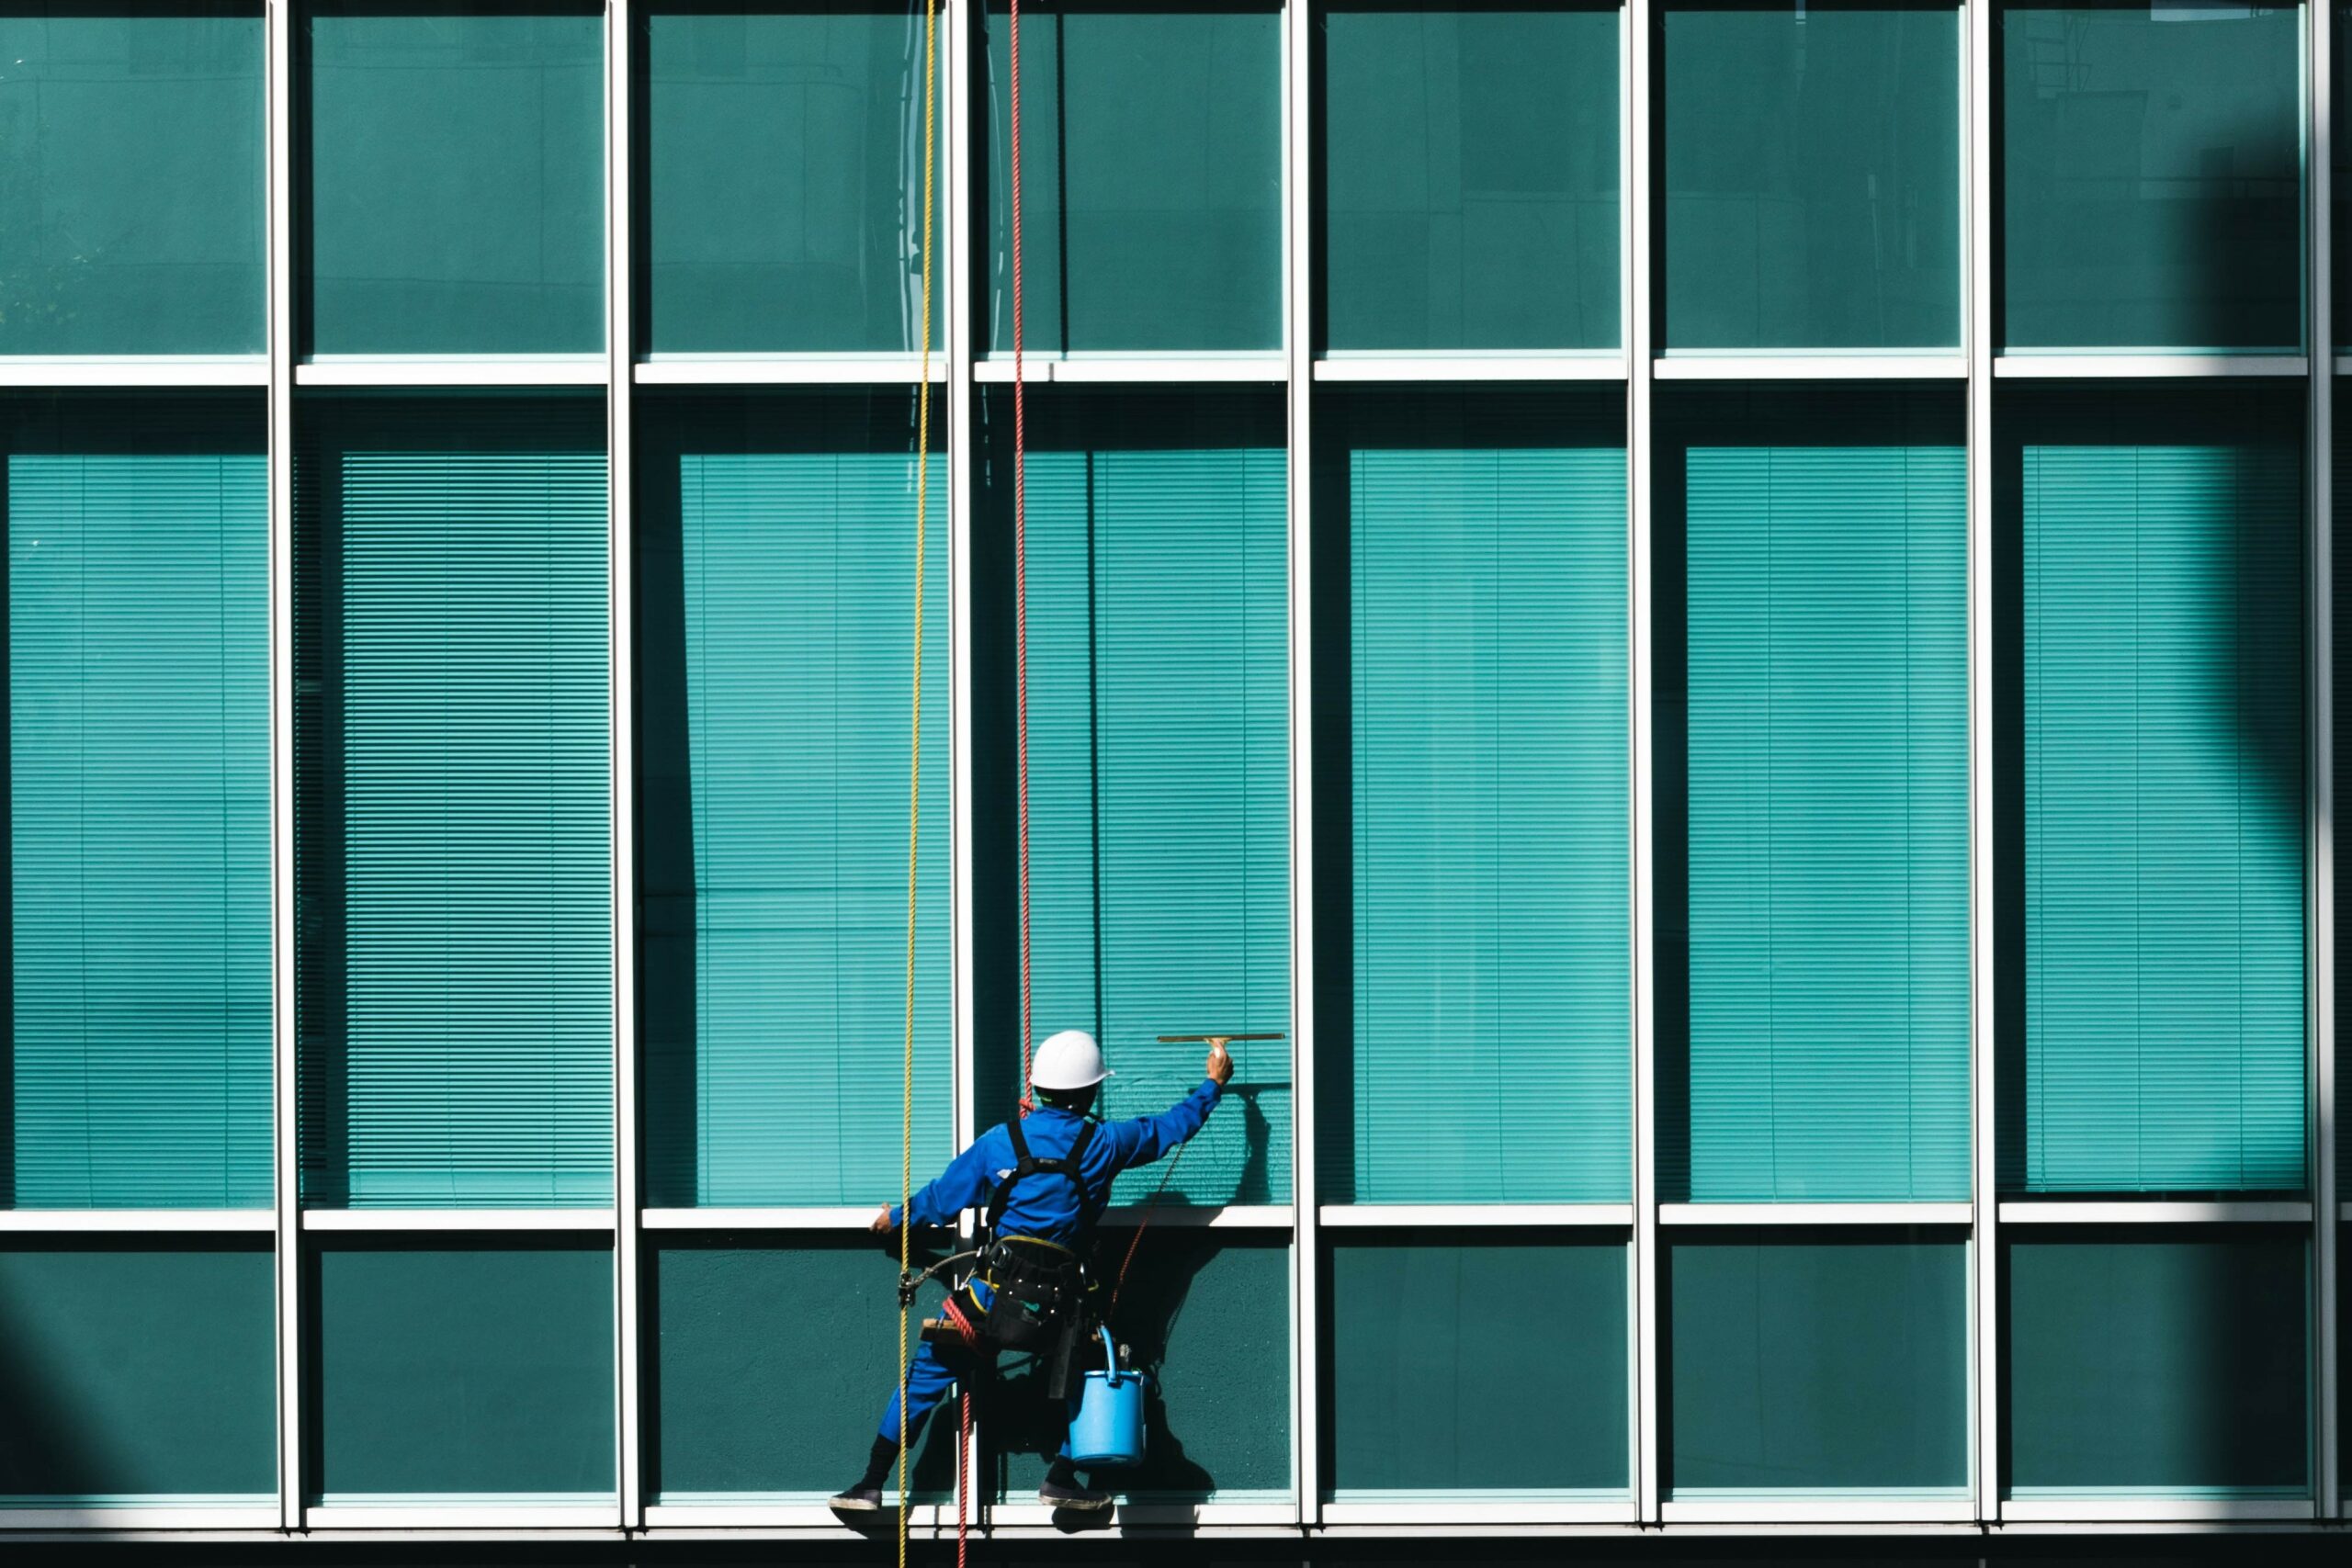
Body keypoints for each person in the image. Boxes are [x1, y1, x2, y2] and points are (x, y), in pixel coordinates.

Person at [831, 1029, 1234, 1514]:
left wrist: (893, 1218)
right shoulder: (1106, 1142)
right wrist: (1214, 1083)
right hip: (1059, 1308)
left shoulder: (1000, 1144)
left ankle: (871, 1484)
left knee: (924, 1380)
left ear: (1038, 1089)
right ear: (1090, 1091)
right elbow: (1171, 1127)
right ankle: (1061, 1478)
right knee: (1092, 1372)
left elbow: (940, 1200)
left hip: (988, 1297)